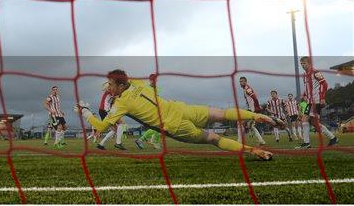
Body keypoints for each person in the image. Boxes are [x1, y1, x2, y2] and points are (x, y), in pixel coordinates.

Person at [75, 69, 286, 161]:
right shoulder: (136, 83)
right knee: (222, 114)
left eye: (111, 85)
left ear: (119, 85)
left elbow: (100, 126)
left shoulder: (121, 104)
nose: (108, 88)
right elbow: (135, 84)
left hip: (174, 125)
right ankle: (259, 116)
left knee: (214, 139)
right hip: (181, 108)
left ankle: (252, 150)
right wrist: (112, 85)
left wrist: (85, 112)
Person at [297, 57, 338, 149]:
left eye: (304, 63)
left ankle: (306, 143)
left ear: (309, 63)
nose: (302, 65)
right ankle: (333, 138)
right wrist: (304, 95)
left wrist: (322, 97)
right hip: (309, 102)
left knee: (304, 119)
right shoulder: (304, 75)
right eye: (301, 64)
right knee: (314, 123)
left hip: (316, 100)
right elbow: (308, 88)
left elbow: (324, 84)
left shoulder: (315, 72)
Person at [96, 83, 126, 150]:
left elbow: (113, 100)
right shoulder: (110, 91)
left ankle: (101, 144)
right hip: (106, 111)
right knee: (121, 123)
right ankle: (118, 143)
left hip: (103, 111)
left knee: (114, 129)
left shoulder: (108, 92)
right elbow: (118, 96)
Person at [135, 74, 161, 149]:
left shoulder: (157, 88)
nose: (154, 81)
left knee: (157, 127)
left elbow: (157, 99)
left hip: (155, 109)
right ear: (150, 80)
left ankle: (141, 140)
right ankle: (154, 141)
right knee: (159, 126)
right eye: (153, 80)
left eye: (155, 79)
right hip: (149, 110)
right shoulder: (146, 88)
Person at [238, 77, 266, 146]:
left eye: (242, 81)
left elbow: (255, 98)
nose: (241, 83)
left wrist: (257, 107)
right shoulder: (245, 89)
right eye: (240, 81)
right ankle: (261, 141)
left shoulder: (248, 89)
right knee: (251, 126)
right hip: (251, 109)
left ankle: (239, 142)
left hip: (252, 110)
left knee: (240, 123)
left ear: (246, 82)